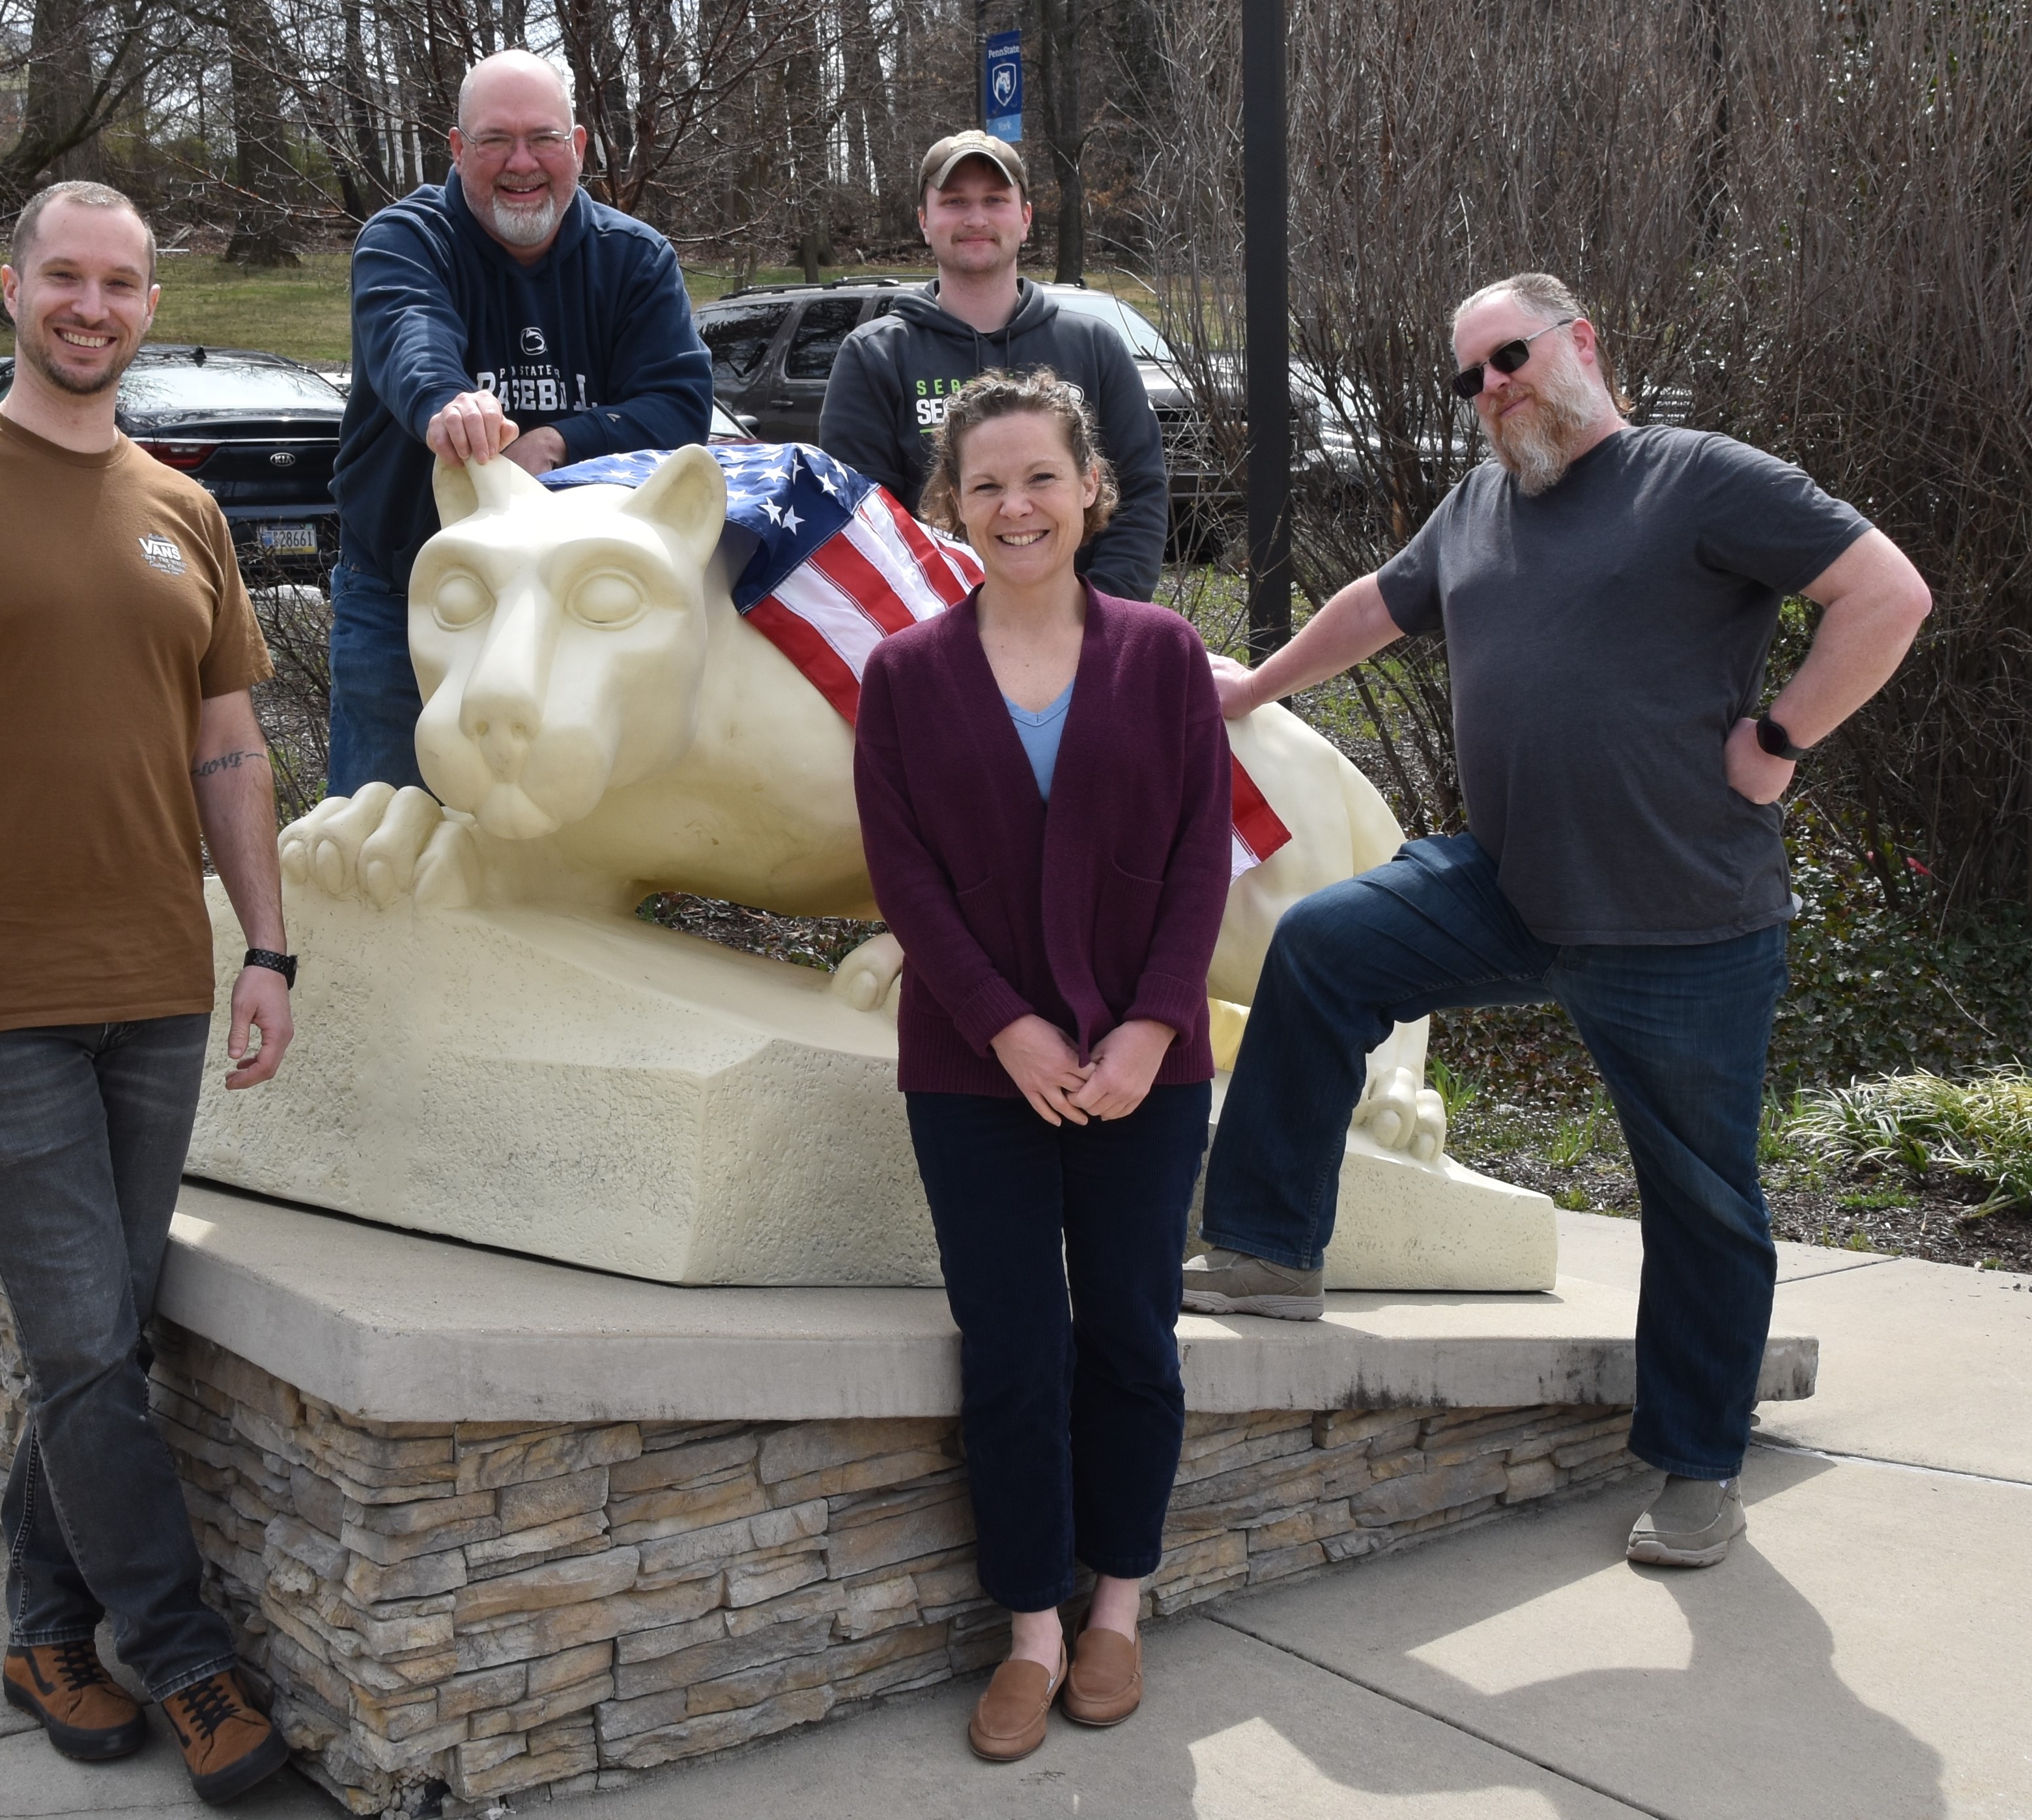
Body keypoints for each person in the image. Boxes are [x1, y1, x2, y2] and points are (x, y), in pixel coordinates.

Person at [1183, 272, 1934, 1569]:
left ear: (1579, 342)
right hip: (1509, 885)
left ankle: (1696, 1464)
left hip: (1679, 926)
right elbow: (1379, 599)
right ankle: (1265, 1252)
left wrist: (1777, 740)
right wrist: (1251, 683)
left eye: (1509, 356)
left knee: (1698, 1200)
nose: (1491, 388)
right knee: (1320, 948)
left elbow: (1885, 594)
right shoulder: (1479, 502)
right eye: (1468, 375)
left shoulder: (1694, 478)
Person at [0, 181, 299, 1806]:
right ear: (12, 287)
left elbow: (229, 749)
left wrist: (270, 947)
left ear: (151, 304)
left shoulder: (184, 507)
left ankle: (40, 1628)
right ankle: (186, 1654)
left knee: (104, 1344)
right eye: (63, 277)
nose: (91, 306)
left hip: (155, 986)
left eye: (122, 284)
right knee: (85, 1342)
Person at [853, 369, 1233, 1763]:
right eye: (985, 482)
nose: (1014, 504)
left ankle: (1117, 1605)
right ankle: (1028, 1624)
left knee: (1129, 1335)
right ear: (946, 505)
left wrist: (1144, 1026)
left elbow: (1201, 862)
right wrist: (1006, 1026)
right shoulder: (899, 675)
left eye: (1039, 477)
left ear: (1091, 488)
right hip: (969, 1072)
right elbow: (905, 880)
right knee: (1010, 1350)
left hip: (1148, 1065)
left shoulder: (1162, 658)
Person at [330, 48, 714, 794]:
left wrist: (564, 440)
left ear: (575, 148)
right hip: (408, 595)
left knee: (545, 852)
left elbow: (677, 405)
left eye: (542, 138)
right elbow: (409, 331)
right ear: (456, 150)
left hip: (571, 619)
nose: (521, 163)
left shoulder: (633, 260)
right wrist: (448, 402)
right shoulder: (404, 240)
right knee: (375, 834)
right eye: (493, 141)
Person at [820, 130, 1168, 600]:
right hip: (934, 637)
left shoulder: (1094, 346)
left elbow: (1139, 495)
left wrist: (1099, 621)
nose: (976, 218)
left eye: (995, 200)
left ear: (1025, 218)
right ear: (924, 221)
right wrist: (944, 635)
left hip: (1083, 635)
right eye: (955, 201)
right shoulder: (874, 356)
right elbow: (864, 522)